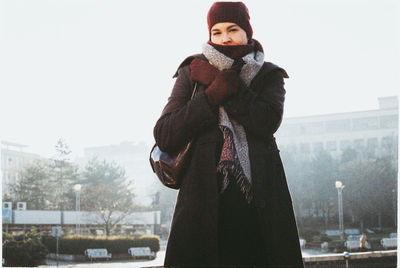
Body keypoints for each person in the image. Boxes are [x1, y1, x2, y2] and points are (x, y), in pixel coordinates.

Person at [153, 2, 304, 267]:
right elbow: (165, 134)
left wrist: (226, 85)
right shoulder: (192, 71)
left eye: (232, 29)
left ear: (247, 32)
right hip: (201, 204)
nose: (225, 38)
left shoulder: (269, 75)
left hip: (258, 204)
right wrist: (211, 95)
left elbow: (266, 121)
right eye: (217, 32)